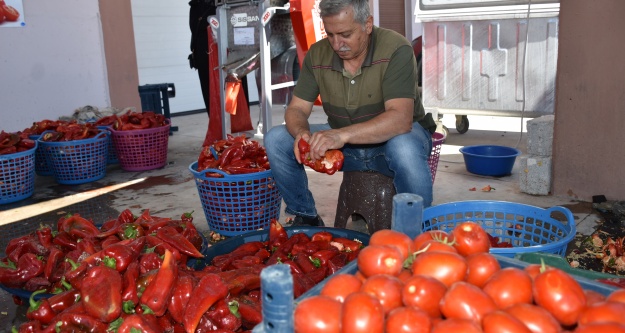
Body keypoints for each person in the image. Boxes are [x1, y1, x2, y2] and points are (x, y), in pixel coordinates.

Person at [264, 0, 437, 227]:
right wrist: (301, 133)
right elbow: (296, 108)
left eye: (345, 34)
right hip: (347, 151)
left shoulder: (396, 48)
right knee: (277, 139)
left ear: (367, 24)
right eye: (330, 34)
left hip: (392, 144)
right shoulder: (318, 55)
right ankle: (305, 216)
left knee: (403, 147)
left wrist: (340, 135)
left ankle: (420, 228)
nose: (337, 44)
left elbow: (400, 120)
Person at [188, 0, 249, 117]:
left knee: (235, 79)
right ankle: (217, 126)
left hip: (228, 13)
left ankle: (238, 125)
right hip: (205, 23)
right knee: (210, 86)